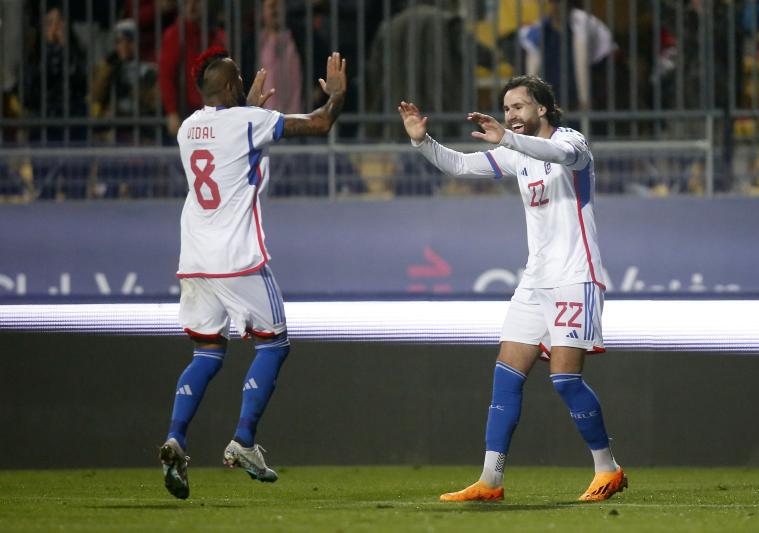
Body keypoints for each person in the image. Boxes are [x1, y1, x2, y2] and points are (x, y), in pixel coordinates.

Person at [398, 75, 625, 502]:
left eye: (518, 106)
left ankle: (607, 469)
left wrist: (508, 139)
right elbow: (463, 165)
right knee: (506, 376)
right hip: (534, 282)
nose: (510, 115)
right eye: (506, 109)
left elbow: (555, 153)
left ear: (542, 108)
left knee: (564, 379)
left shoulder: (572, 142)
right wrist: (422, 141)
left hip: (576, 276)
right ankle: (490, 480)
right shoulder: (514, 152)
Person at [159, 47, 346, 500]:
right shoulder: (247, 121)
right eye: (239, 78)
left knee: (206, 354)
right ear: (227, 87)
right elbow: (319, 122)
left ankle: (176, 439)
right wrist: (337, 96)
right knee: (274, 341)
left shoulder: (187, 129)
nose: (245, 81)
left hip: (195, 259)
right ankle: (243, 439)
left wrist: (249, 110)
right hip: (237, 257)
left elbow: (229, 142)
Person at [158, 0, 227, 137]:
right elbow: (166, 76)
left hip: (215, 115)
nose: (191, 6)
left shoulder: (217, 36)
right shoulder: (174, 35)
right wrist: (172, 112)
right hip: (186, 116)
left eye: (196, 2)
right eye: (187, 2)